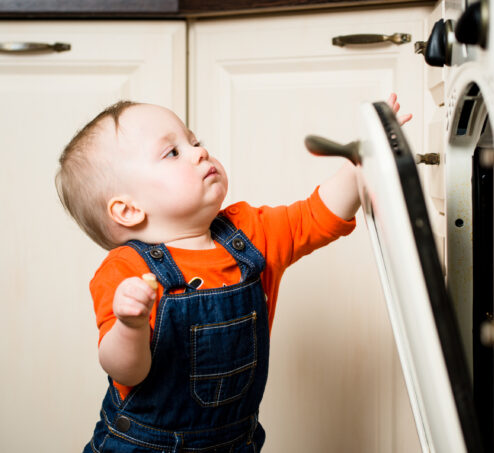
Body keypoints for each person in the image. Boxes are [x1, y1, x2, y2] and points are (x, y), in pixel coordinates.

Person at [56, 94, 411, 452]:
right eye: (172, 153)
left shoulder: (250, 234)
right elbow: (125, 371)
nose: (199, 152)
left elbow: (316, 215)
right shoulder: (126, 272)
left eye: (195, 141)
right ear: (128, 210)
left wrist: (360, 163)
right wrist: (129, 326)